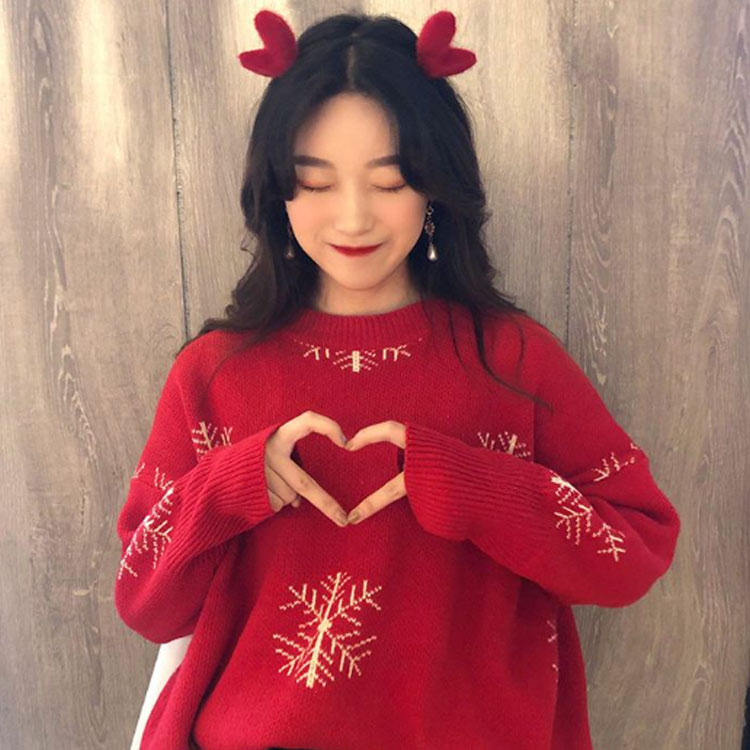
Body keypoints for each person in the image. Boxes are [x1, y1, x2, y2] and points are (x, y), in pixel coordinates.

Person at [113, 9, 681, 750]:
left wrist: (476, 488)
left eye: (388, 182)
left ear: (435, 187)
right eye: (315, 182)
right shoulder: (215, 373)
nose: (353, 218)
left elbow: (633, 555)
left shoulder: (515, 362)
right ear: (278, 192)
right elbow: (144, 602)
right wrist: (230, 488)